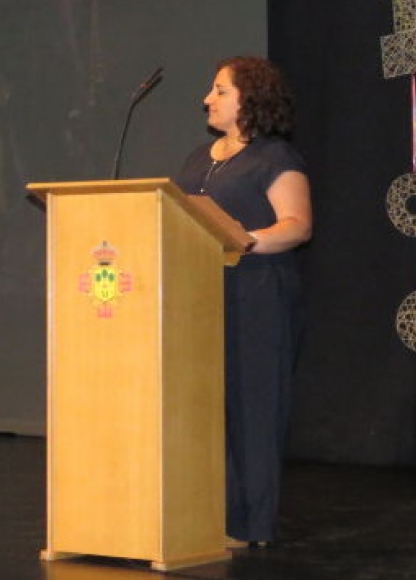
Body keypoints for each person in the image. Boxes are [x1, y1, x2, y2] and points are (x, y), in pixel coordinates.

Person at [174, 56, 312, 547]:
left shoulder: (275, 158)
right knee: (206, 409)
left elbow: (297, 225)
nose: (207, 99)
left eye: (219, 91)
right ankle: (213, 516)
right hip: (200, 297)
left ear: (249, 98)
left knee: (254, 407)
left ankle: (252, 525)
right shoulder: (198, 158)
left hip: (259, 294)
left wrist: (241, 239)